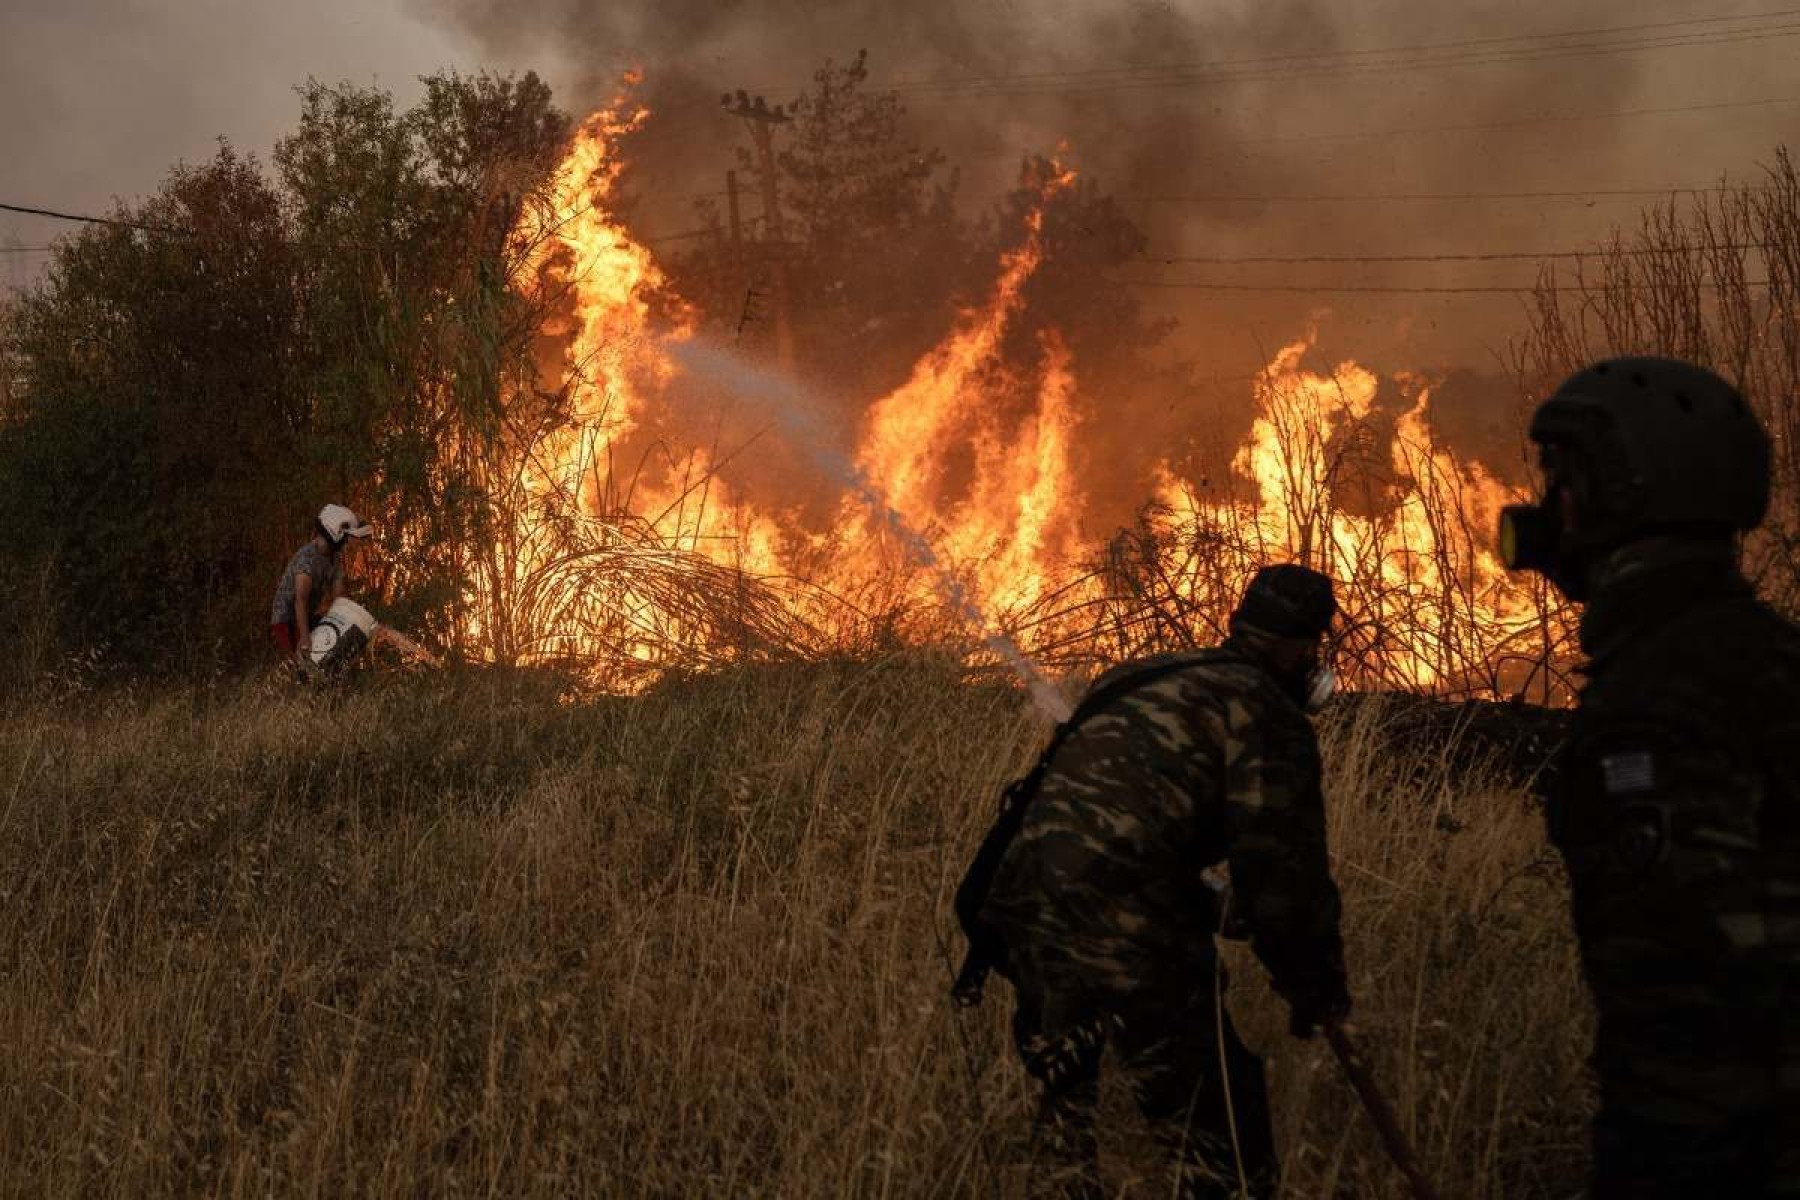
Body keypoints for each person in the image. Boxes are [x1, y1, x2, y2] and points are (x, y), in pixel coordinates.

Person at [1498, 357, 1800, 1198]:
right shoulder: (1762, 655)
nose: (1546, 508)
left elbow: (1689, 983)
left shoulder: (1657, 698)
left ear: (1627, 492)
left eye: (1562, 482)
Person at [975, 564, 1351, 1199]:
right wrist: (1316, 989)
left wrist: (1206, 905)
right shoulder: (1266, 714)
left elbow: (1110, 828)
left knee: (1063, 1115)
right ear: (1299, 650)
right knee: (1219, 1128)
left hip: (1024, 905)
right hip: (1126, 926)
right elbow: (1284, 882)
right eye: (1313, 651)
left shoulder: (1142, 674)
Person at [270, 503, 372, 667]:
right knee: (299, 664)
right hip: (286, 619)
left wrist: (352, 614)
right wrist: (304, 637)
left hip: (306, 616)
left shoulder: (333, 558)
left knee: (325, 658)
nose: (346, 542)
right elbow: (300, 601)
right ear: (335, 532)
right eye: (345, 537)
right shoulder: (307, 560)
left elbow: (340, 595)